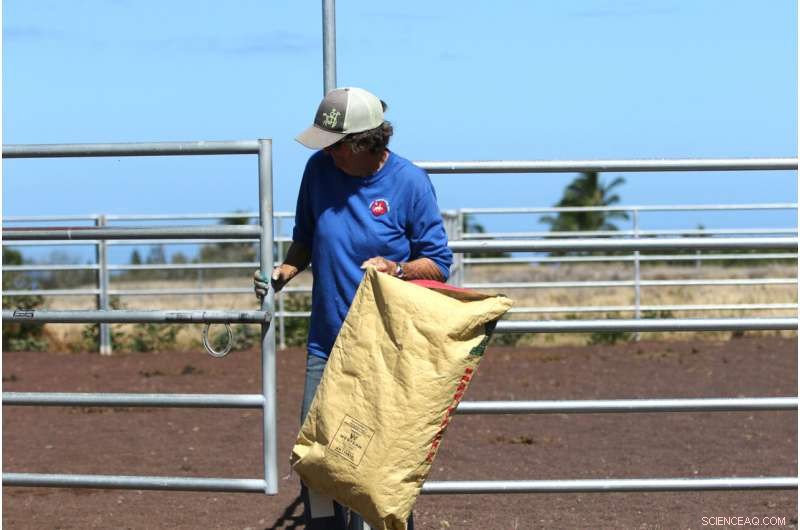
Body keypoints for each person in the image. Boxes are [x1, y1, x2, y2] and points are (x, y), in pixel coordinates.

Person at [254, 86, 453, 530]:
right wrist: (284, 270)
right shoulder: (318, 171)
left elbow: (438, 263)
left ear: (365, 143)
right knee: (317, 460)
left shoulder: (409, 182)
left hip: (386, 348)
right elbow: (305, 238)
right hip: (327, 343)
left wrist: (396, 268)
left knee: (377, 465)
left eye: (335, 145)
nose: (328, 153)